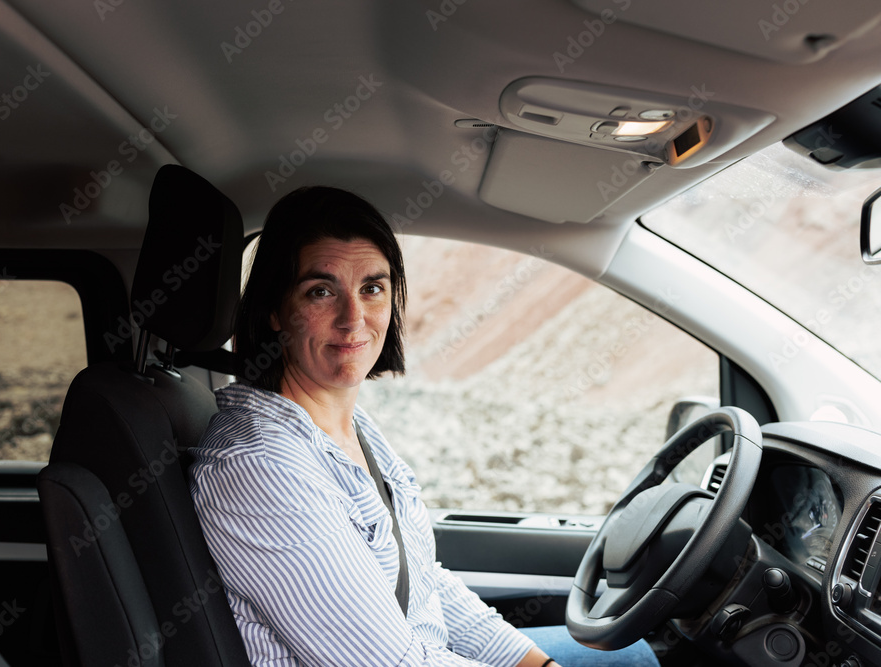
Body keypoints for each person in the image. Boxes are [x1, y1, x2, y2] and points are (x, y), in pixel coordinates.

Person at [189, 186, 660, 666]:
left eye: (372, 288)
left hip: (426, 652)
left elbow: (423, 582)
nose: (353, 320)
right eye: (321, 291)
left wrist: (534, 664)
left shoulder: (347, 428)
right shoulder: (261, 468)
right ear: (274, 310)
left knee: (632, 653)